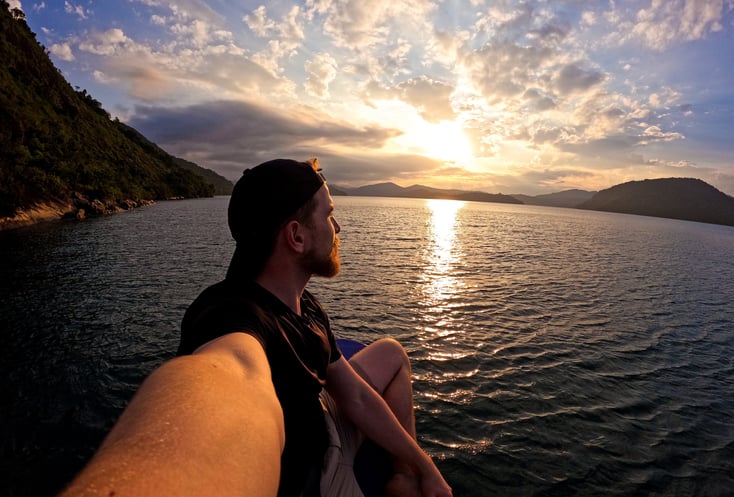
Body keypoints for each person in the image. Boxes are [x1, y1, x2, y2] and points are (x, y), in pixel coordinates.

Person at [59, 158, 452, 497]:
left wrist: (422, 466)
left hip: (322, 418)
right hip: (317, 475)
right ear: (296, 236)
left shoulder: (304, 305)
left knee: (392, 353)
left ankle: (401, 476)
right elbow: (229, 379)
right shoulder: (233, 319)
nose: (338, 228)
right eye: (329, 215)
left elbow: (356, 397)